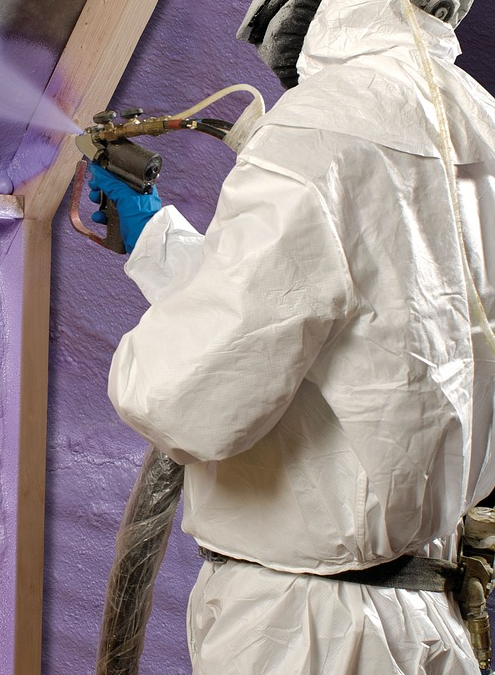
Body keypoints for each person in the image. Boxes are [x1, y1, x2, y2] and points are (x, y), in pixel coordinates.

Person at [89, 0, 495, 672]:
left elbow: (187, 397)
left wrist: (146, 354)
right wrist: (156, 242)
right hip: (424, 618)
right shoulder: (479, 125)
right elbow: (363, 342)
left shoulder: (320, 126)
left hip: (307, 632)